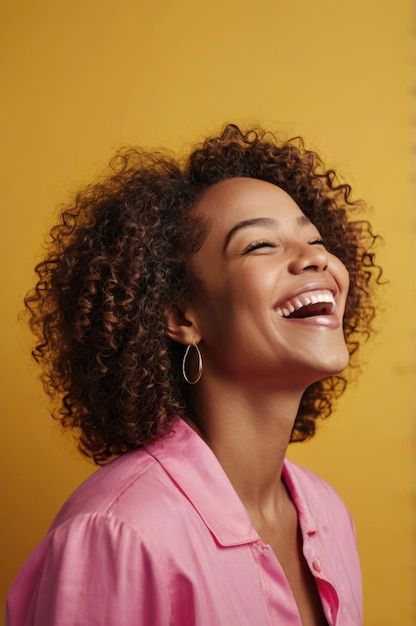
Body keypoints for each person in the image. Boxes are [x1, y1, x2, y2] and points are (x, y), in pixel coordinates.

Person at [7, 124, 379, 626]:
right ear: (182, 316)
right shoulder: (120, 532)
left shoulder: (328, 515)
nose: (316, 256)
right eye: (260, 245)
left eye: (314, 239)